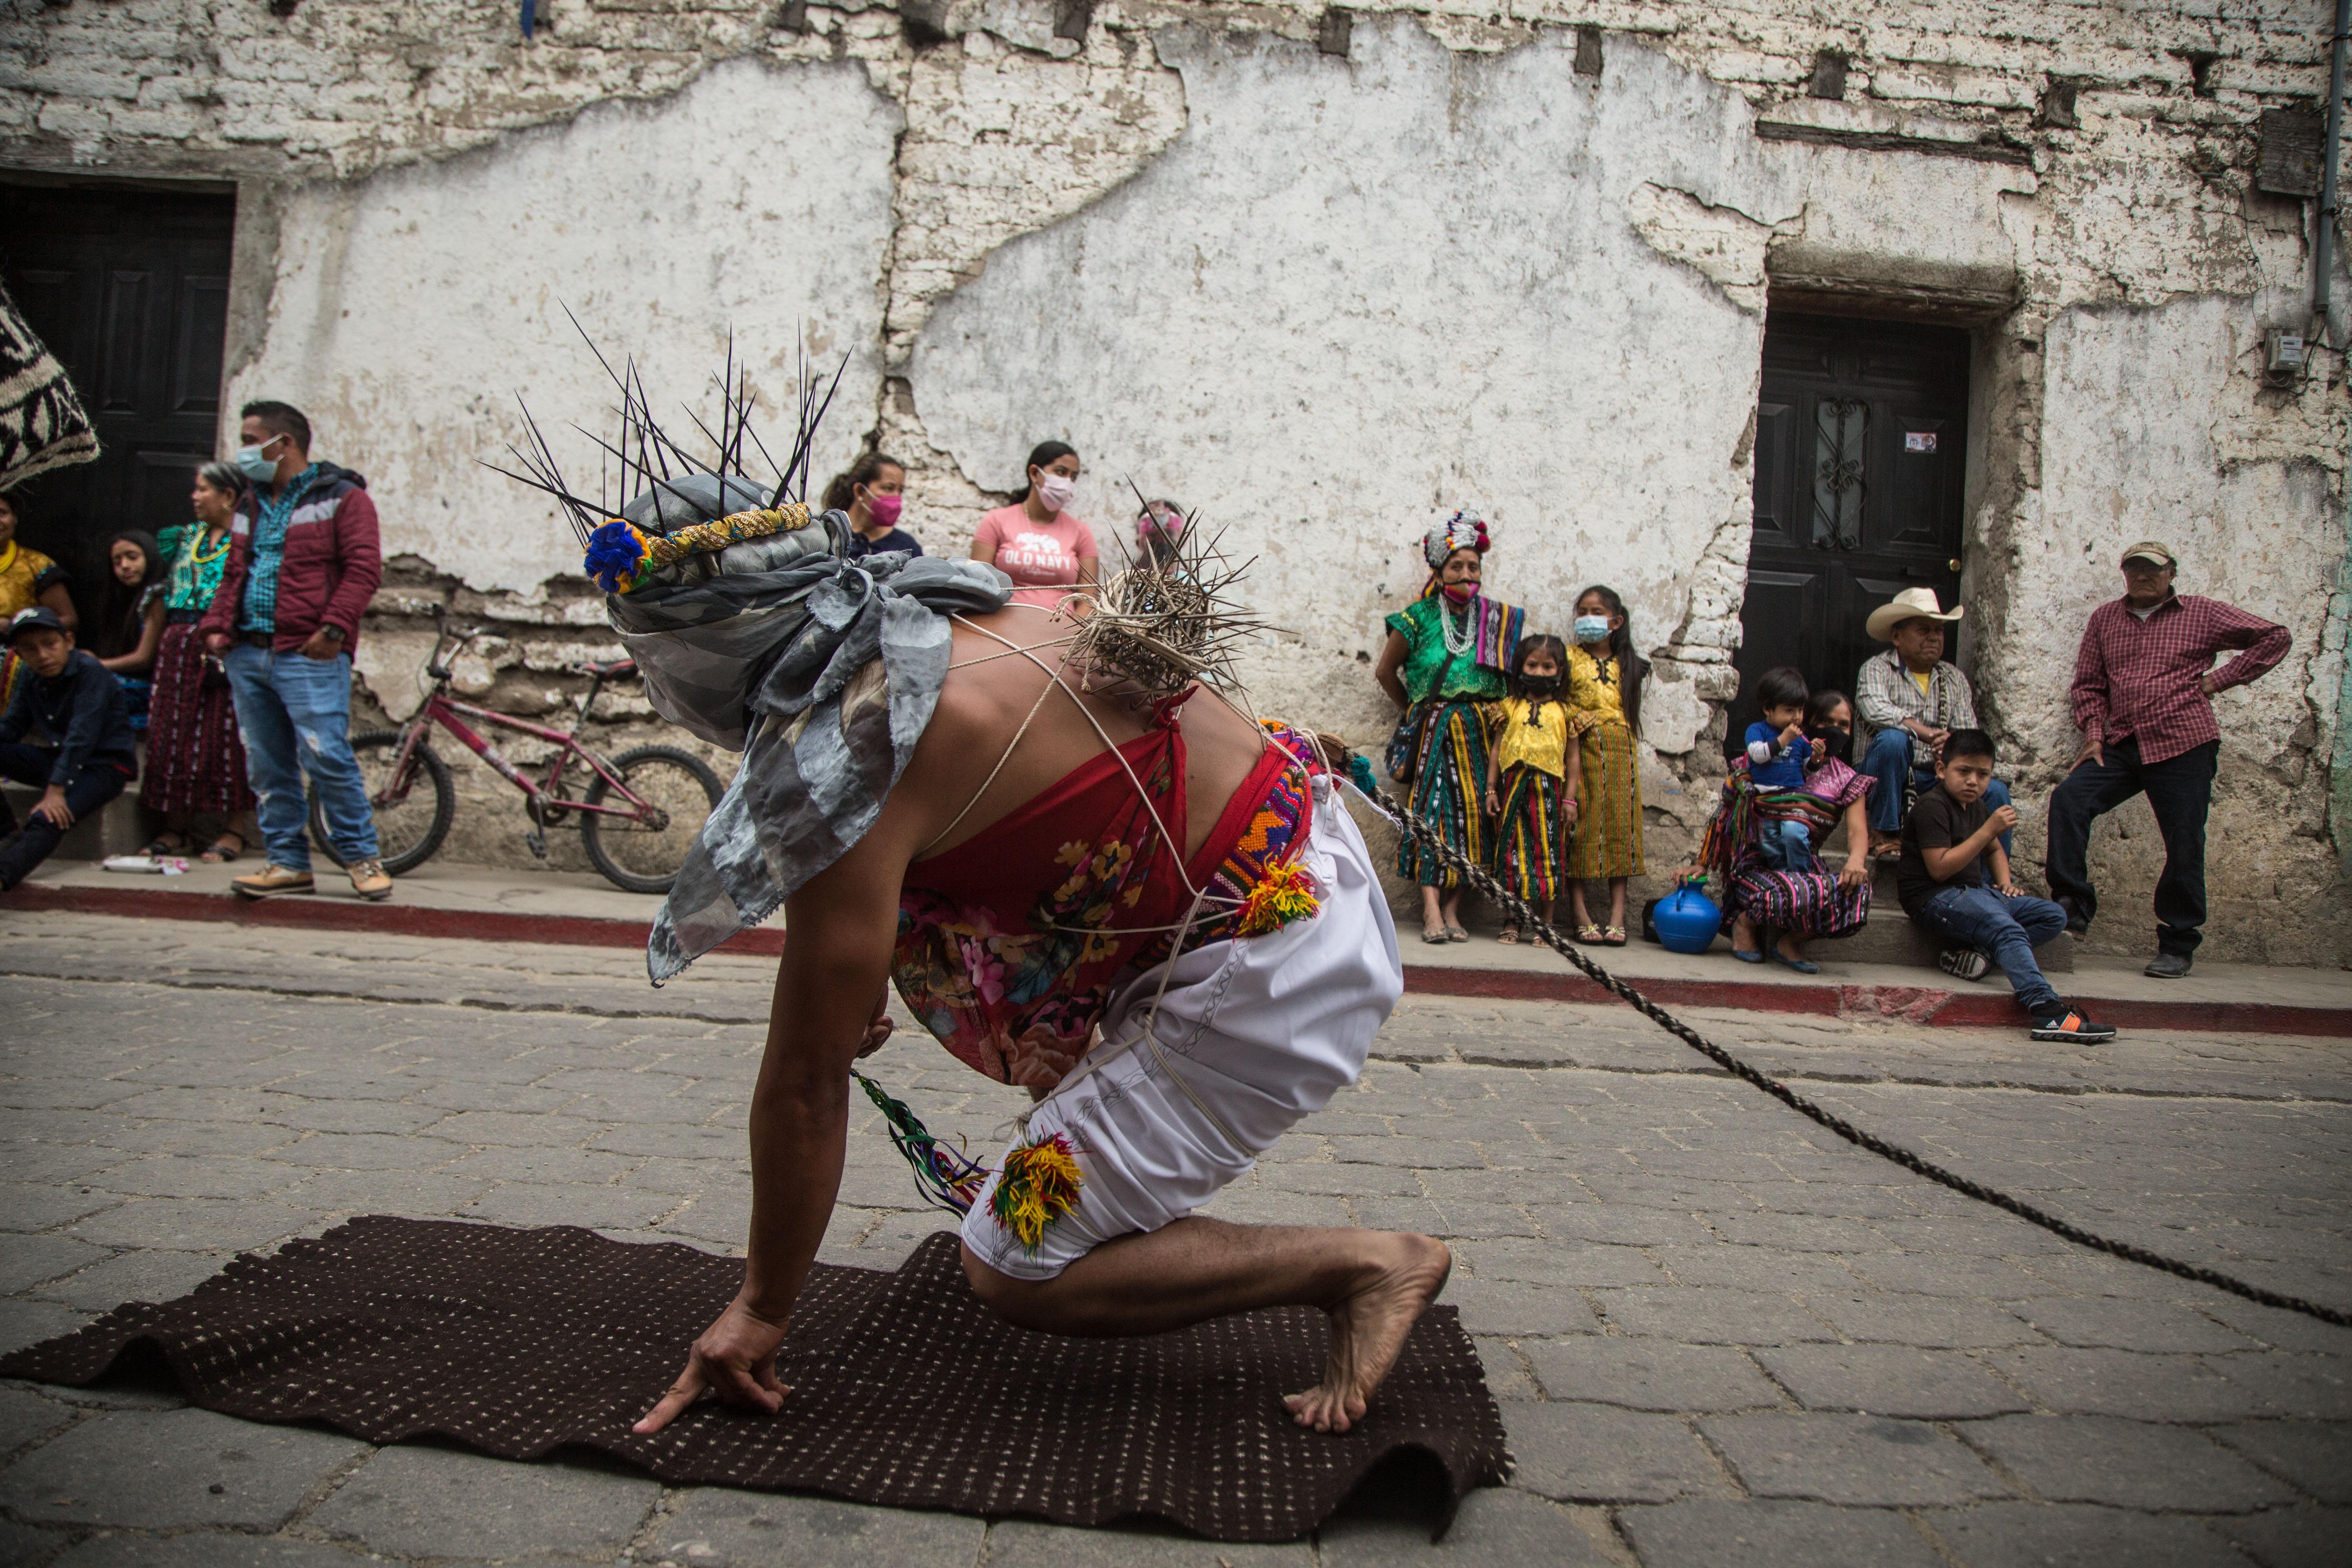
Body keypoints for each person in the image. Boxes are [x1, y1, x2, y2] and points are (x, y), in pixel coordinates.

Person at [568, 434, 1441, 1444]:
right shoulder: (939, 604)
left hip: (1274, 954)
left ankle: (1367, 1263)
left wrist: (762, 1308)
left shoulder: (859, 740)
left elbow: (806, 1081)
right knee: (1045, 1165)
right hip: (1296, 848)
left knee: (1016, 1258)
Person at [2046, 541, 2290, 978]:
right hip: (2122, 742)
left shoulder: (2201, 613)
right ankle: (2072, 908)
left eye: (2152, 569)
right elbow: (2088, 685)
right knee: (2069, 799)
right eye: (2133, 568)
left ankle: (2178, 942)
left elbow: (2275, 637)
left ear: (2171, 573)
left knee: (2183, 842)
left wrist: (2218, 681)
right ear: (2124, 573)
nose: (2142, 576)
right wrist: (2095, 734)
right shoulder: (2105, 619)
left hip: (2183, 743)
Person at [198, 400, 391, 902]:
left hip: (309, 654)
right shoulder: (250, 502)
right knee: (266, 764)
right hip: (249, 652)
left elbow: (364, 570)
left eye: (249, 439)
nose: (242, 452)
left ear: (283, 444)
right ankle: (286, 863)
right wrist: (219, 627)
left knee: (327, 757)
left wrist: (332, 631)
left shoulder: (344, 499)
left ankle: (362, 859)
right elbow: (236, 571)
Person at [1901, 728, 2116, 1040]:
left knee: (2054, 916)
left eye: (1983, 774)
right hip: (1935, 899)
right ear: (1941, 770)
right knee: (2007, 929)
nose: (1973, 781)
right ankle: (2046, 1010)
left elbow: (1993, 850)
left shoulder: (1976, 807)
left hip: (1976, 894)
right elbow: (1939, 869)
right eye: (1964, 771)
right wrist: (1989, 830)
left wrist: (2005, 883)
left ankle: (1980, 956)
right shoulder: (1931, 806)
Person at [1374, 510, 1525, 944]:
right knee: (1434, 816)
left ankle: (1456, 909)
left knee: (1477, 821)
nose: (1466, 574)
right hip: (1437, 731)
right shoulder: (1417, 618)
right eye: (1456, 566)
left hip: (1484, 733)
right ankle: (1430, 909)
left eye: (1473, 567)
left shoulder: (1498, 622)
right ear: (1439, 572)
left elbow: (1513, 682)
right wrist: (1413, 712)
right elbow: (1386, 673)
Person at [1685, 690, 1873, 973]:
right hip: (1757, 864)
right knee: (1791, 887)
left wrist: (1856, 861)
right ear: (1806, 723)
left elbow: (1858, 831)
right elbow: (1725, 814)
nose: (1836, 731)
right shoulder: (1767, 762)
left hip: (1805, 864)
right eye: (1826, 722)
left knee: (1854, 889)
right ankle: (1746, 922)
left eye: (1844, 725)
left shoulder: (1848, 779)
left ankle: (1790, 941)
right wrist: (1702, 863)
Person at [143, 463, 257, 862]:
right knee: (173, 736)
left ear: (228, 497)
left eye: (203, 489)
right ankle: (177, 828)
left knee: (228, 736)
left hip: (224, 647)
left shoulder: (249, 541)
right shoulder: (183, 539)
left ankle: (234, 830)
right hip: (178, 647)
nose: (195, 497)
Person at [1855, 588, 2010, 860]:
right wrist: (1928, 734)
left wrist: (1951, 751)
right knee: (1893, 741)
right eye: (1923, 630)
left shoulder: (1954, 677)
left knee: (1997, 792)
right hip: (1887, 776)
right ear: (1896, 636)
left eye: (1938, 631)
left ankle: (1993, 882)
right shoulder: (1877, 668)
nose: (1934, 638)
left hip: (1935, 775)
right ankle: (1885, 832)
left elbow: (1967, 732)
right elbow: (1876, 711)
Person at [0, 608, 136, 892]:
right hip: (62, 759)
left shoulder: (91, 674)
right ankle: (5, 831)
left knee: (48, 818)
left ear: (68, 642)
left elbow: (82, 737)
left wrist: (56, 791)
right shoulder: (30, 676)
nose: (43, 656)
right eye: (31, 650)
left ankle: (4, 875)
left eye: (50, 644)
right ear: (21, 655)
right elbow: (12, 727)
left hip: (104, 766)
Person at [1561, 585, 1646, 944]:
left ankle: (1616, 915)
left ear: (1616, 621)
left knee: (1620, 830)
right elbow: (1557, 699)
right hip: (1580, 749)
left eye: (1595, 612)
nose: (1586, 619)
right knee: (1578, 829)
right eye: (1581, 612)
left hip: (1620, 751)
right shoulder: (1566, 657)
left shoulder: (1630, 665)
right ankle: (1580, 914)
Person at [1482, 633, 1570, 945]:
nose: (1540, 673)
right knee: (1512, 854)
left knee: (1548, 854)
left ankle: (1545, 923)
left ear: (1560, 672)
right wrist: (1491, 789)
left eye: (1548, 667)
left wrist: (1570, 799)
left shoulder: (1567, 713)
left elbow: (1572, 760)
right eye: (1532, 665)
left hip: (1549, 789)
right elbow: (1496, 751)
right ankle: (1513, 918)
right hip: (1513, 786)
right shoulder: (1509, 708)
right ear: (1520, 667)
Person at [971, 441, 1097, 609]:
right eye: (1061, 472)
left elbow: (1088, 601)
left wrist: (1074, 635)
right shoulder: (996, 521)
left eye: (1073, 477)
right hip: (1002, 633)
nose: (1067, 482)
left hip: (1063, 633)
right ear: (1034, 474)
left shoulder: (1081, 532)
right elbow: (977, 588)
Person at [0, 490, 76, 711]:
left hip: (17, 653)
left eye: (2, 513)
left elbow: (68, 619)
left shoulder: (36, 565)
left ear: (14, 518)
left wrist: (14, 627)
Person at [93, 530, 167, 732]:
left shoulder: (157, 596)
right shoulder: (123, 601)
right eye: (117, 562)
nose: (125, 566)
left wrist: (95, 664)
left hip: (154, 688)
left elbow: (144, 658)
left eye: (133, 557)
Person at [1743, 665, 1815, 870]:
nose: (1797, 717)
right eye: (1790, 710)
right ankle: (1782, 877)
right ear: (1768, 709)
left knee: (1794, 834)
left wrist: (1817, 757)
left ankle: (1801, 877)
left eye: (1800, 710)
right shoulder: (1757, 730)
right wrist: (1784, 740)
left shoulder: (1800, 737)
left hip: (1794, 800)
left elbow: (1808, 770)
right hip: (1765, 803)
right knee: (1769, 843)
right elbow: (1757, 756)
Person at [821, 452, 922, 559]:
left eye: (900, 491)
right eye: (889, 488)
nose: (896, 497)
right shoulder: (824, 532)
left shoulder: (906, 547)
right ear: (860, 491)